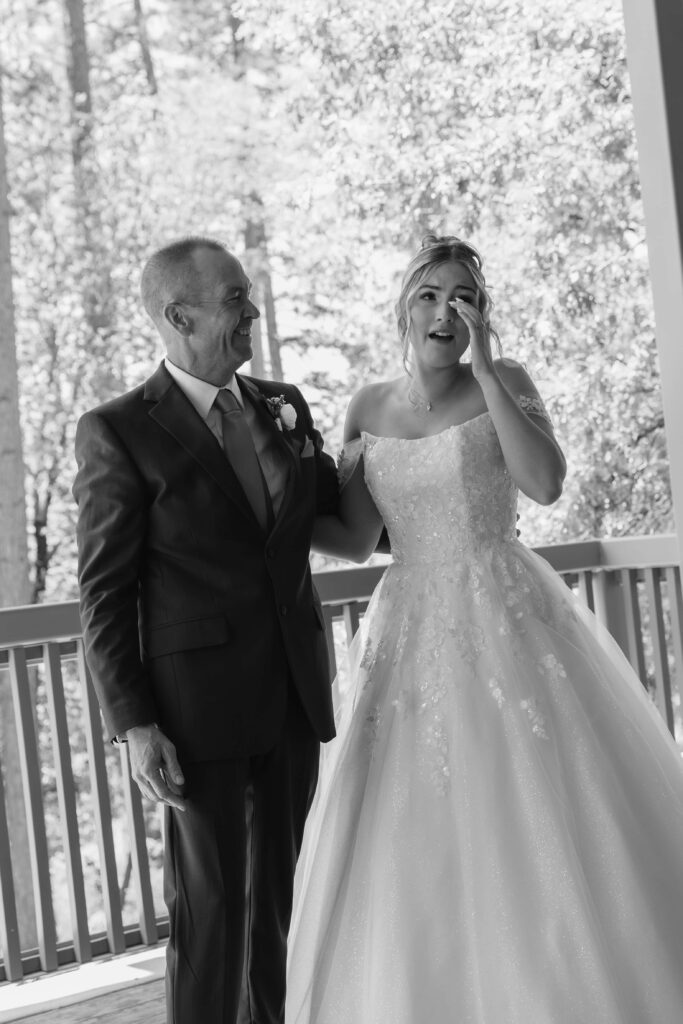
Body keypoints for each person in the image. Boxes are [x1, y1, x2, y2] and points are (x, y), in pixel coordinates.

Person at [285, 234, 683, 1023]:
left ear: (480, 312)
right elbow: (355, 539)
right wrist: (273, 504)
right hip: (409, 620)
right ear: (405, 307)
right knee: (406, 819)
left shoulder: (504, 381)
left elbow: (544, 483)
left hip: (506, 608)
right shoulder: (367, 407)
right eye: (430, 295)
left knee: (540, 797)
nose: (446, 312)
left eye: (463, 297)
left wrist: (491, 371)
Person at [73, 236, 339, 1024]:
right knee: (211, 915)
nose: (252, 310)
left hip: (292, 696)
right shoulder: (117, 429)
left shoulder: (283, 405)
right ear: (179, 316)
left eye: (247, 294)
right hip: (196, 714)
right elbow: (104, 592)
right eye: (233, 298)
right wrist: (134, 725)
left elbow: (344, 510)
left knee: (278, 912)